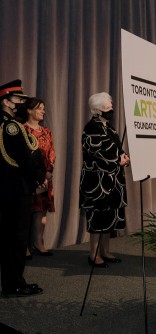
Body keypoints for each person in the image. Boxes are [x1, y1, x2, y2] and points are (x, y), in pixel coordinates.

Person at [0, 79, 44, 297]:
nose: (21, 103)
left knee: (10, 238)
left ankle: (13, 281)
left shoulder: (6, 123)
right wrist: (38, 179)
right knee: (16, 239)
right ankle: (14, 283)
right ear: (7, 101)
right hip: (17, 189)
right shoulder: (11, 127)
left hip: (10, 188)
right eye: (18, 99)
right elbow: (26, 158)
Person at [79, 92, 129, 268]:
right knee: (97, 218)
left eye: (111, 106)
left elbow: (117, 148)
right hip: (97, 183)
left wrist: (124, 157)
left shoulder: (110, 128)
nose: (111, 110)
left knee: (109, 218)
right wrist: (117, 159)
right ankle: (93, 254)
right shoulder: (91, 127)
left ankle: (105, 251)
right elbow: (96, 152)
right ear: (97, 110)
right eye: (107, 108)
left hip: (113, 181)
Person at [21, 98, 56, 257]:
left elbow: (51, 153)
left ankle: (39, 243)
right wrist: (35, 175)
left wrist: (49, 171)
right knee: (26, 211)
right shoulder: (22, 130)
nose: (43, 111)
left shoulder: (46, 131)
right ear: (29, 110)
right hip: (28, 179)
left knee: (41, 211)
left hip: (45, 178)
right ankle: (24, 247)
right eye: (39, 108)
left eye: (44, 108)